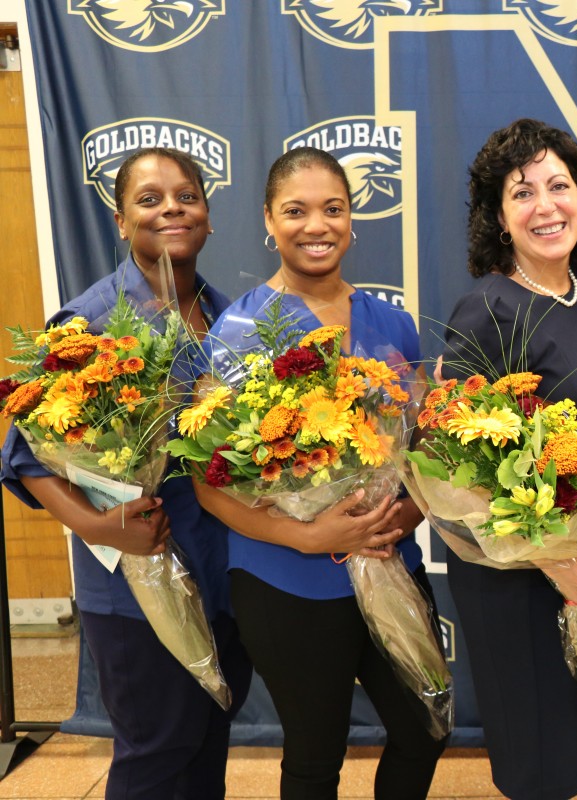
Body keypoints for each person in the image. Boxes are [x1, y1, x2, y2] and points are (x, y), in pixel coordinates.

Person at [0, 147, 253, 799]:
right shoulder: (89, 324)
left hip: (222, 575)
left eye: (186, 196)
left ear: (207, 215)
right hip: (137, 590)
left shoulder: (233, 321)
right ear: (119, 222)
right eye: (149, 199)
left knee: (206, 745)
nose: (171, 208)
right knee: (157, 753)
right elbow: (27, 458)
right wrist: (102, 525)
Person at [192, 147, 445, 799]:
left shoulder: (393, 323)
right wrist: (306, 535)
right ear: (269, 222)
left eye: (333, 209)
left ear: (353, 220)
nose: (316, 225)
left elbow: (418, 451)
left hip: (393, 565)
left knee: (426, 729)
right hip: (287, 581)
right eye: (296, 211)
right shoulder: (239, 333)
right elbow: (209, 482)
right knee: (315, 753)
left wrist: (406, 513)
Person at [438, 118, 577, 800]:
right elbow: (450, 474)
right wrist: (557, 560)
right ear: (498, 215)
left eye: (559, 185)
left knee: (572, 758)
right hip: (516, 580)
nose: (546, 205)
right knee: (540, 768)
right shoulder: (488, 309)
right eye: (523, 193)